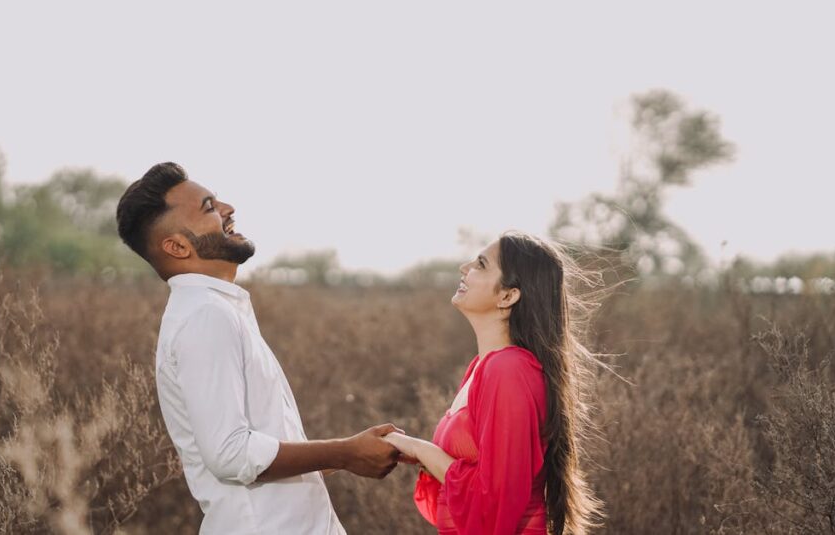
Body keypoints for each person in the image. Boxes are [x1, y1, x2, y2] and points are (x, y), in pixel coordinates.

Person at [115, 162, 401, 535]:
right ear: (177, 246)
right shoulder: (205, 316)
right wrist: (345, 452)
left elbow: (258, 448)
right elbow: (231, 455)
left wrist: (351, 454)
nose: (228, 209)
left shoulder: (216, 310)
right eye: (208, 207)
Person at [383, 232, 605, 534]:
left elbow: (494, 501)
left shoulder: (509, 370)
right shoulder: (482, 367)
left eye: (481, 265)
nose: (465, 267)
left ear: (508, 296)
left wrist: (421, 449)